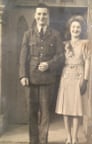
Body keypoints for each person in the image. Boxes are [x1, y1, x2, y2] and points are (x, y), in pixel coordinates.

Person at [19, 3, 65, 144]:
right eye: (39, 14)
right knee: (32, 112)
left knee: (45, 113)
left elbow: (61, 55)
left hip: (47, 79)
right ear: (35, 16)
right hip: (31, 79)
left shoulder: (55, 34)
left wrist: (49, 64)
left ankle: (43, 141)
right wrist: (23, 75)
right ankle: (33, 141)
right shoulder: (28, 34)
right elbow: (23, 56)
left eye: (44, 14)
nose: (41, 17)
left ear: (48, 16)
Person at [55, 15, 90, 144]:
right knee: (66, 110)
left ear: (81, 29)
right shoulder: (64, 44)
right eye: (73, 27)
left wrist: (85, 80)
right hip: (66, 77)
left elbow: (87, 62)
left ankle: (75, 137)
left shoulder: (85, 44)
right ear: (69, 29)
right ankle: (68, 137)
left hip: (79, 76)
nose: (75, 29)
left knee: (76, 109)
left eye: (78, 27)